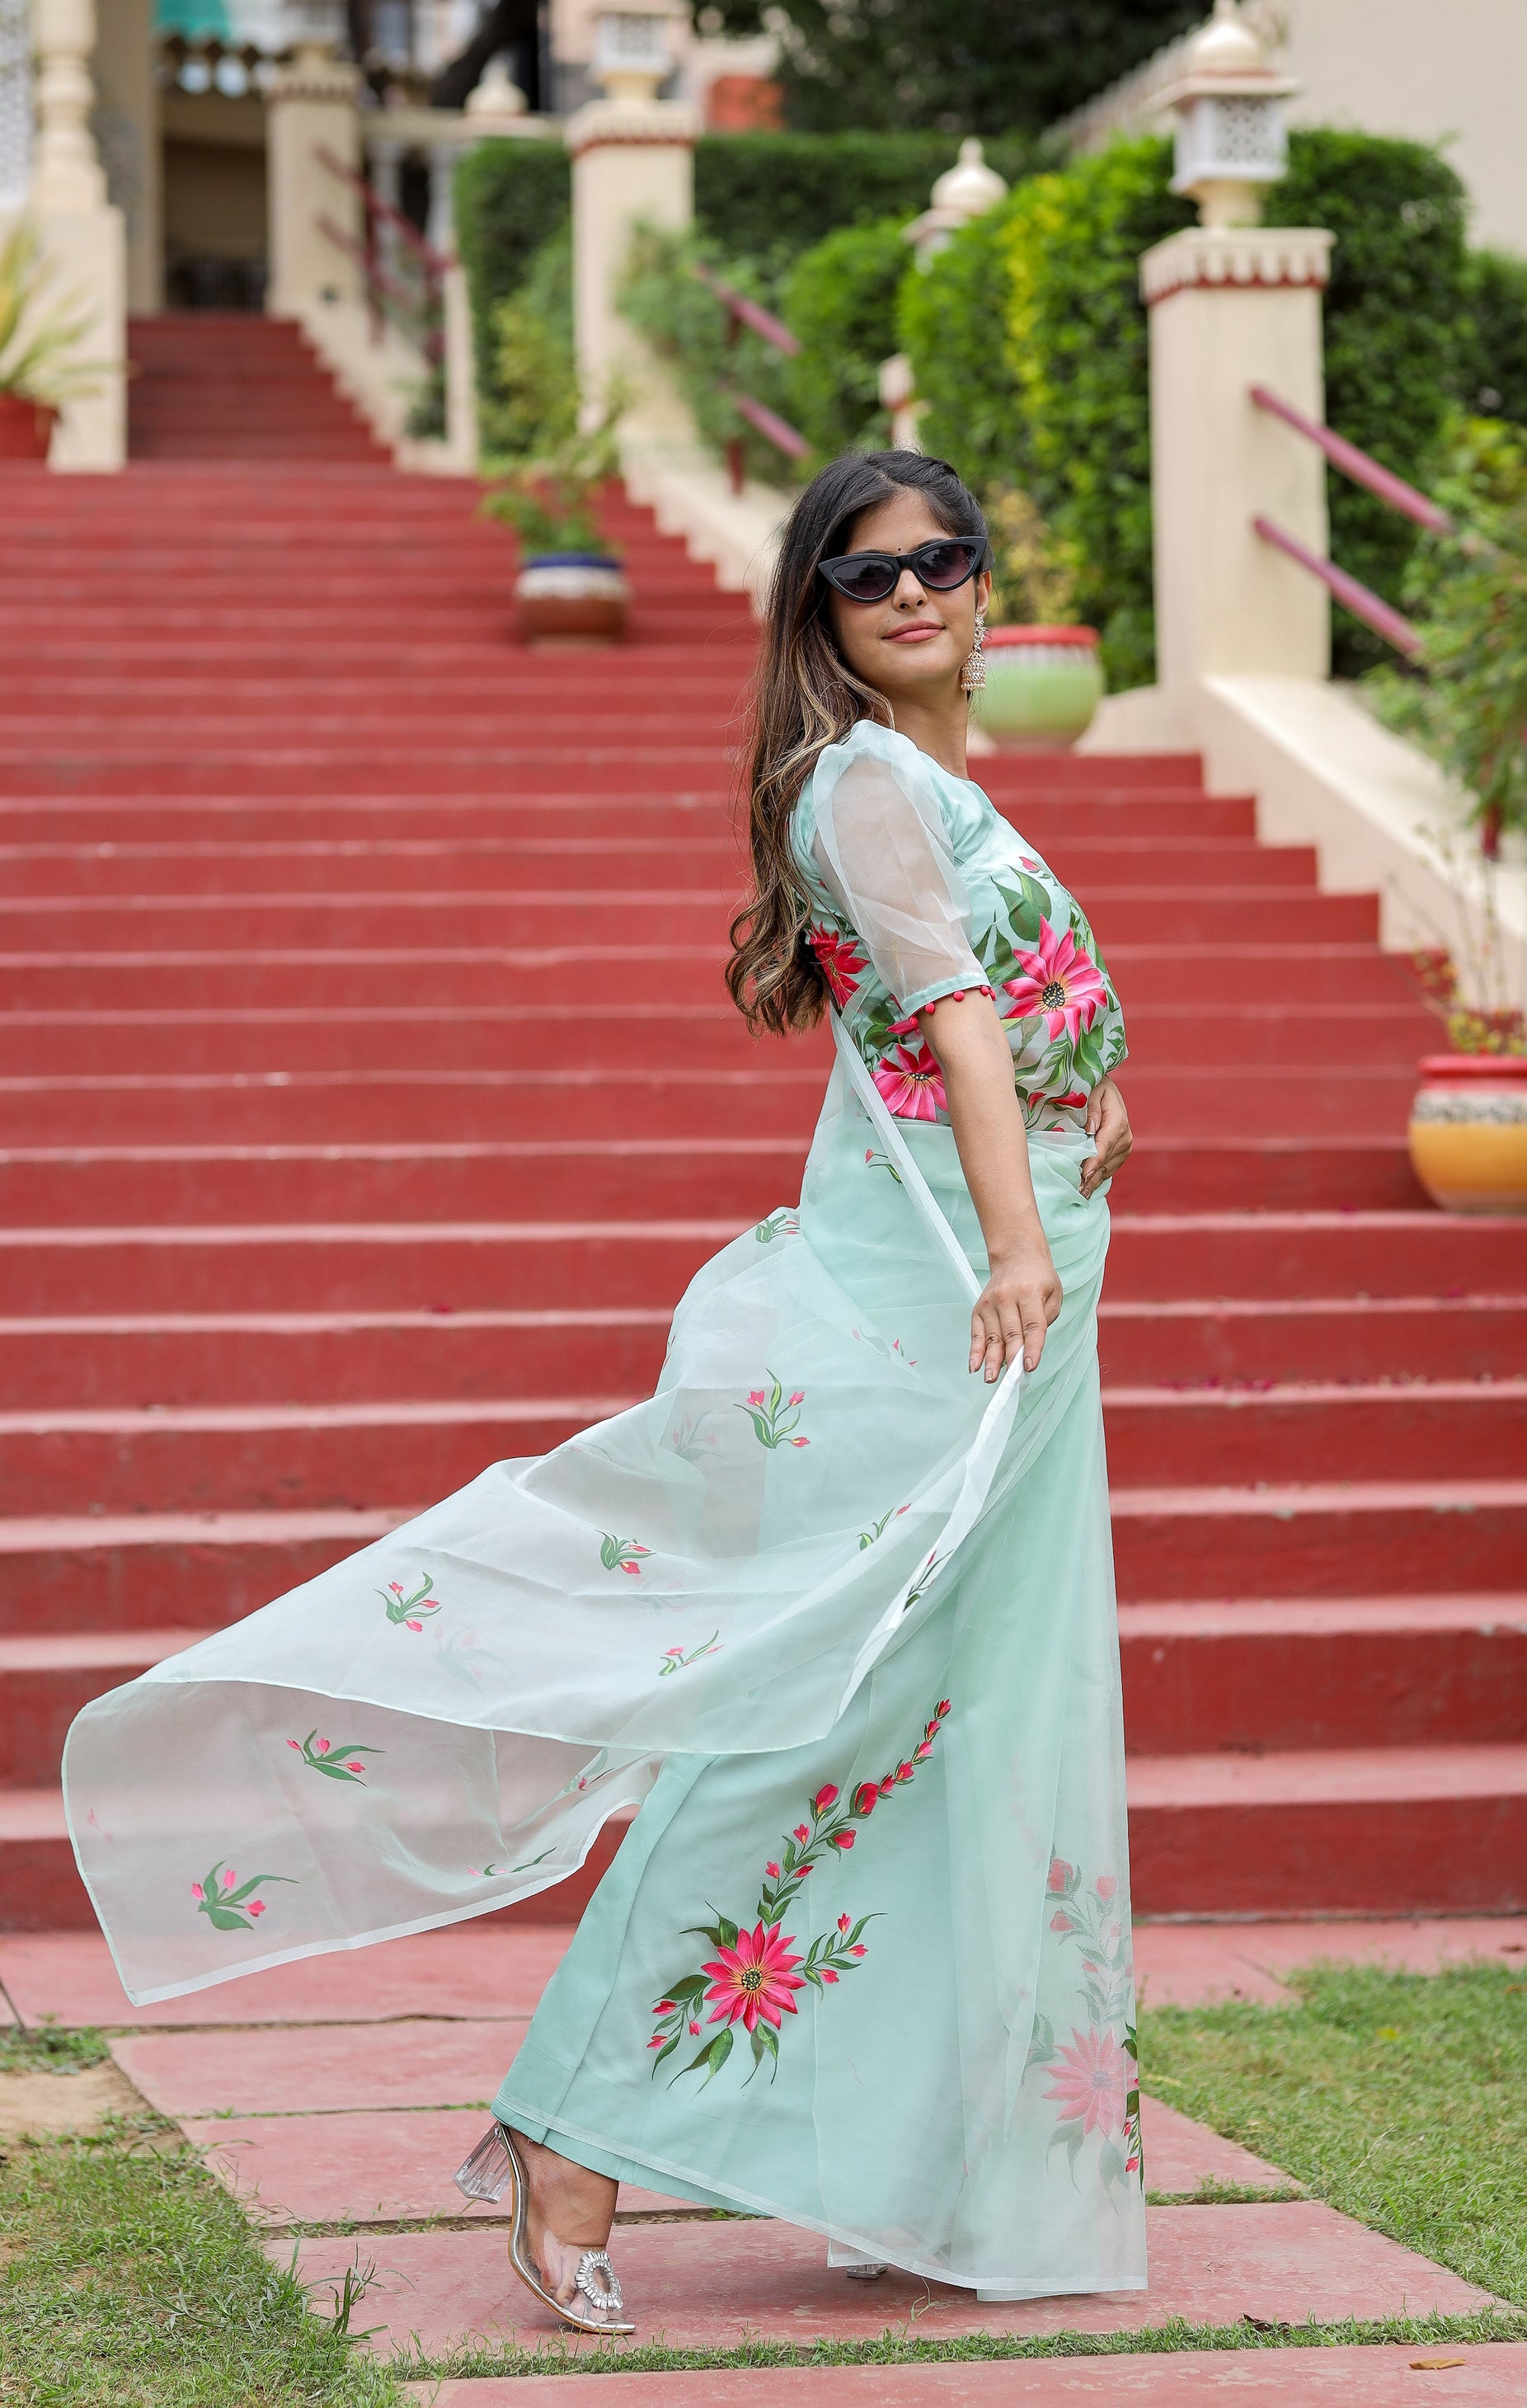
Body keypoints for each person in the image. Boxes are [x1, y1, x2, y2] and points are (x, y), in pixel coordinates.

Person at [63, 449, 1143, 2331]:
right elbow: (952, 1017)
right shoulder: (862, 782)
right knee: (816, 1702)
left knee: (964, 1712)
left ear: (982, 581)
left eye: (940, 558)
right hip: (958, 1296)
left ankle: (891, 2153)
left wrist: (1090, 1088)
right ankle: (570, 2128)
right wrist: (1014, 1238)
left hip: (1010, 1261)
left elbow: (994, 1008)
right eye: (864, 571)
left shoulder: (935, 780)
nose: (909, 590)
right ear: (816, 610)